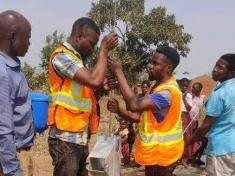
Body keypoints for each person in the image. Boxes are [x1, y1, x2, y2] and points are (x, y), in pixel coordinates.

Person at [47, 17, 118, 176]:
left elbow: (86, 92)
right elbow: (94, 80)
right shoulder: (62, 57)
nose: (93, 48)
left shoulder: (79, 62)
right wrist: (104, 51)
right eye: (92, 43)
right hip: (65, 138)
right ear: (78, 37)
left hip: (79, 137)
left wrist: (100, 90)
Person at [107, 46, 183, 176]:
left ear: (168, 68)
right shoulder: (155, 88)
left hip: (164, 157)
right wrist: (119, 110)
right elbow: (138, 117)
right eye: (151, 62)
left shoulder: (167, 93)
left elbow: (134, 104)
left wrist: (119, 72)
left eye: (155, 63)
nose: (150, 66)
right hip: (155, 157)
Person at [187, 53, 235, 176]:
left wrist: (187, 143)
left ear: (231, 73)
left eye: (220, 67)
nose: (214, 69)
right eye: (216, 65)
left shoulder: (220, 93)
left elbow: (205, 126)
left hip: (221, 149)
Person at [0, 10, 35, 175]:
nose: (29, 43)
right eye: (27, 38)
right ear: (13, 36)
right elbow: (3, 128)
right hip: (6, 160)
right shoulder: (3, 72)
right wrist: (13, 171)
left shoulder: (13, 67)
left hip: (14, 153)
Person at [178, 78, 193, 166]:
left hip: (185, 116)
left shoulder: (188, 96)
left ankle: (184, 158)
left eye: (186, 86)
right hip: (176, 116)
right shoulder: (176, 93)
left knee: (186, 137)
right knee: (177, 137)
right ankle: (176, 157)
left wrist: (184, 99)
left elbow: (189, 108)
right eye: (183, 85)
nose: (184, 87)